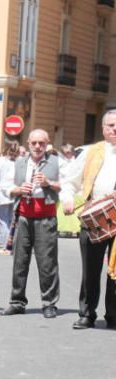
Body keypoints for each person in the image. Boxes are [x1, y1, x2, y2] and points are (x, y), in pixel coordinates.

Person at [61, 110, 116, 330]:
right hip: (94, 218)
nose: (115, 129)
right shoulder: (90, 152)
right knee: (90, 270)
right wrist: (67, 199)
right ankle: (87, 314)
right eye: (111, 125)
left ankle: (113, 315)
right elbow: (69, 181)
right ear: (103, 128)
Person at [0, 129, 61, 319]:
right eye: (34, 143)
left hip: (46, 217)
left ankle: (49, 303)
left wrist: (48, 183)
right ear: (28, 143)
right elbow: (5, 186)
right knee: (20, 261)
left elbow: (67, 185)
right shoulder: (18, 163)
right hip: (24, 216)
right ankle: (17, 301)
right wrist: (18, 189)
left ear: (47, 144)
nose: (37, 146)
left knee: (47, 263)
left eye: (41, 143)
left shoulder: (58, 162)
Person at [0, 141, 19, 255]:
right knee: (10, 221)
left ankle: (6, 247)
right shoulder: (18, 162)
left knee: (3, 221)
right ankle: (12, 245)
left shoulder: (1, 161)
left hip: (1, 193)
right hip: (13, 193)